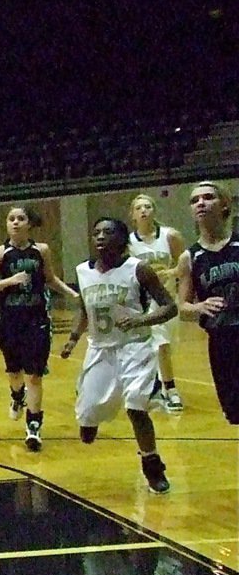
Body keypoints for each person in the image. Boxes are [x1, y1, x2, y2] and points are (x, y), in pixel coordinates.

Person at [59, 217, 177, 493]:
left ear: (123, 240)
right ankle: (90, 410)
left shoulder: (139, 270)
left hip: (135, 346)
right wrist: (74, 338)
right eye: (96, 232)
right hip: (100, 349)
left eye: (108, 232)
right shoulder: (82, 271)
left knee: (136, 406)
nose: (100, 236)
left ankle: (152, 466)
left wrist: (140, 321)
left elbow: (170, 308)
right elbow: (85, 311)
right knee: (87, 422)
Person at [0, 205, 79, 450]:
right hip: (9, 320)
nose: (15, 222)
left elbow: (51, 279)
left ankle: (33, 426)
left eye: (20, 218)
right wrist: (10, 281)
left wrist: (73, 294)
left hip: (37, 319)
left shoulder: (40, 250)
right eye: (11, 219)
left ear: (28, 224)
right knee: (15, 373)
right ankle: (16, 396)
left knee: (34, 375)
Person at [175, 181, 239, 424]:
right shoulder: (190, 257)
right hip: (221, 342)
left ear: (224, 205)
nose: (200, 203)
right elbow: (183, 307)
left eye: (208, 197)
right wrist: (200, 307)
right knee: (235, 415)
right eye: (194, 200)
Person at [129, 193, 186, 411]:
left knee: (165, 346)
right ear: (133, 215)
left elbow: (185, 265)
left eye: (148, 206)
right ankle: (170, 390)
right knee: (159, 344)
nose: (144, 210)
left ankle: (155, 385)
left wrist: (170, 273)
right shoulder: (129, 242)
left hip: (168, 298)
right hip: (146, 302)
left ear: (154, 211)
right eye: (139, 208)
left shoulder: (170, 236)